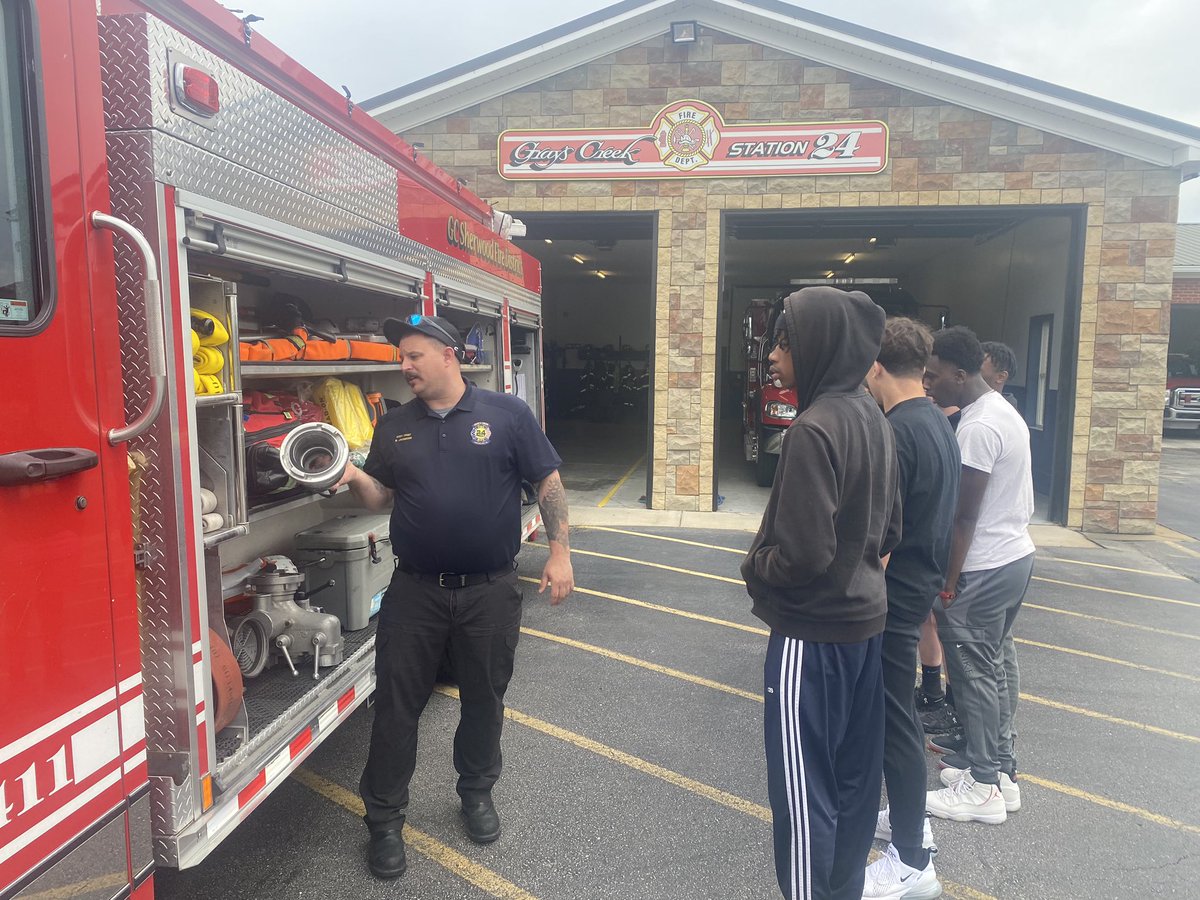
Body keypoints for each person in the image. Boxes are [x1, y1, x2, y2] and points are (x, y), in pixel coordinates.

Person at [333, 315, 575, 880]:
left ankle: (476, 794)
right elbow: (381, 497)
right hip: (414, 592)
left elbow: (548, 482)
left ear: (448, 356)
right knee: (396, 708)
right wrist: (349, 475)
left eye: (414, 355)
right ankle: (385, 821)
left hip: (489, 591)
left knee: (484, 701)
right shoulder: (394, 426)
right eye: (400, 357)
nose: (404, 366)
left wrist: (560, 552)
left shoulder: (506, 415)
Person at [740, 287, 902, 900]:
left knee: (804, 793)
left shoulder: (813, 428)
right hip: (868, 629)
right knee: (855, 786)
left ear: (820, 348)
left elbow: (805, 554)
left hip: (811, 638)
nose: (775, 358)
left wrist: (758, 566)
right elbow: (891, 531)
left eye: (786, 343)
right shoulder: (873, 417)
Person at [861, 318, 961, 899]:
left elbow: (885, 533)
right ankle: (908, 821)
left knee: (895, 722)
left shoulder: (898, 431)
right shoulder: (937, 421)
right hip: (918, 589)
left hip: (896, 599)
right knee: (893, 718)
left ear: (875, 365)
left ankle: (911, 860)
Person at [922, 326, 1034, 825]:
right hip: (1013, 556)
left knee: (973, 672)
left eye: (934, 374)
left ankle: (983, 784)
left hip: (983, 565)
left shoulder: (977, 429)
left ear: (961, 374)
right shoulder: (1000, 412)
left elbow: (964, 517)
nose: (928, 382)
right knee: (997, 661)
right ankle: (1001, 770)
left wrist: (947, 580)